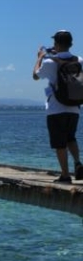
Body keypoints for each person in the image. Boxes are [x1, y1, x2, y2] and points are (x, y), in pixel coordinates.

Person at [32, 30, 83, 183]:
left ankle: (65, 175)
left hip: (56, 108)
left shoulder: (50, 62)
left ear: (56, 44)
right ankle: (78, 163)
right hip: (75, 107)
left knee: (59, 143)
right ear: (71, 44)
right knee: (71, 138)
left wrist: (40, 58)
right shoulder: (79, 60)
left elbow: (35, 76)